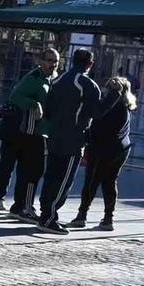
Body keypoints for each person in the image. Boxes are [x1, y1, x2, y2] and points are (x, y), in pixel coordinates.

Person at [37, 48, 103, 234]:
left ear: (73, 60)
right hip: (73, 140)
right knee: (64, 180)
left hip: (54, 136)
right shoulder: (87, 84)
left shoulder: (57, 80)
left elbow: (47, 110)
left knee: (51, 177)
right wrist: (115, 95)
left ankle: (46, 214)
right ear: (90, 64)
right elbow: (98, 112)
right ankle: (48, 218)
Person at [0, 47, 57, 216]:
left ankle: (20, 204)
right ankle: (9, 201)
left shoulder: (53, 78)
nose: (52, 64)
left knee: (29, 169)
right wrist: (35, 104)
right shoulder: (33, 78)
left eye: (55, 61)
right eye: (49, 60)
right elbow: (15, 96)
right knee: (16, 166)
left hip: (38, 130)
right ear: (41, 61)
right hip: (22, 129)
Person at [69, 76, 136, 231]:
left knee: (92, 181)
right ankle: (108, 218)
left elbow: (98, 128)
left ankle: (82, 215)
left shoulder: (113, 106)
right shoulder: (125, 106)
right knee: (109, 182)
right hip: (120, 148)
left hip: (103, 148)